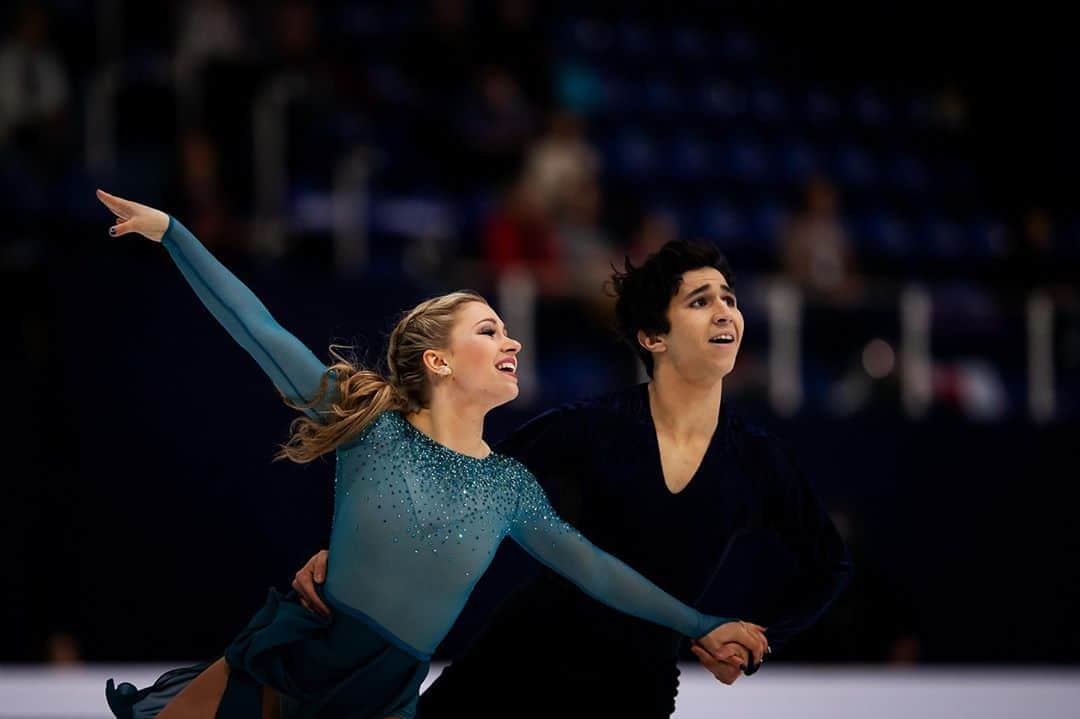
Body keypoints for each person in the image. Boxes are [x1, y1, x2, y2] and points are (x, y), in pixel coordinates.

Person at [93, 190, 768, 719]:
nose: (513, 343)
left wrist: (700, 623)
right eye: (490, 329)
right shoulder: (370, 423)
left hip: (384, 695)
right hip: (292, 657)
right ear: (439, 358)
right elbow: (258, 328)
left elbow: (599, 572)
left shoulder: (509, 487)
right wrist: (173, 234)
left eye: (507, 331)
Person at [295, 240, 852, 718]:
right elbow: (452, 482)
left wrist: (758, 642)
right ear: (653, 338)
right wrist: (346, 551)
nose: (726, 311)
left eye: (730, 299)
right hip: (519, 667)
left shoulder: (758, 461)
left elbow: (828, 563)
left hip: (637, 693)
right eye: (701, 301)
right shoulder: (590, 428)